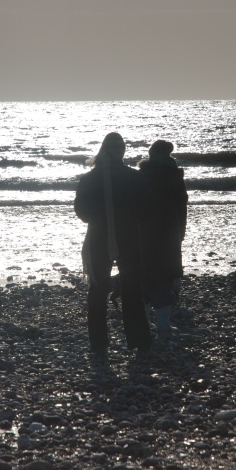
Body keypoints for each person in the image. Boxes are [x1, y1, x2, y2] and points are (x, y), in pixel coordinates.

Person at [74, 132, 152, 360]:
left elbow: (82, 213)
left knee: (97, 289)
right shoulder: (134, 177)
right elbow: (146, 209)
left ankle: (98, 344)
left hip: (98, 237)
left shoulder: (89, 179)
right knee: (131, 289)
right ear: (122, 152)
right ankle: (139, 341)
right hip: (128, 236)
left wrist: (100, 218)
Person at [138, 139, 188, 337]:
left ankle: (144, 322)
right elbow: (181, 205)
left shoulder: (141, 174)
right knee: (165, 276)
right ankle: (164, 325)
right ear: (169, 154)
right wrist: (181, 230)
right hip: (168, 231)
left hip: (143, 231)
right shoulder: (173, 174)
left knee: (145, 276)